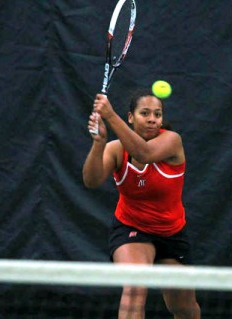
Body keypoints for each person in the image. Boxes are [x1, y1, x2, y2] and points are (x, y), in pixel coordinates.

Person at [82, 90, 201, 319]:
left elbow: (144, 153)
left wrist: (109, 114)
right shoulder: (116, 149)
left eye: (157, 114)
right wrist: (99, 144)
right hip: (132, 228)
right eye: (144, 113)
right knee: (135, 286)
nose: (152, 119)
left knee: (185, 308)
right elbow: (91, 180)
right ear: (131, 117)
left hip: (172, 233)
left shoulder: (172, 141)